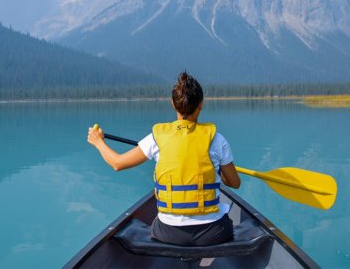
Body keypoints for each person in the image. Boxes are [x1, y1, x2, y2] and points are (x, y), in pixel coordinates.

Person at [87, 71, 241, 246]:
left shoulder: (157, 138)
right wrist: (219, 172)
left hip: (168, 233)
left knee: (157, 221)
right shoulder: (217, 139)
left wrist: (98, 142)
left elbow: (117, 163)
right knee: (226, 220)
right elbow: (235, 183)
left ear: (173, 104)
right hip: (212, 232)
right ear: (201, 104)